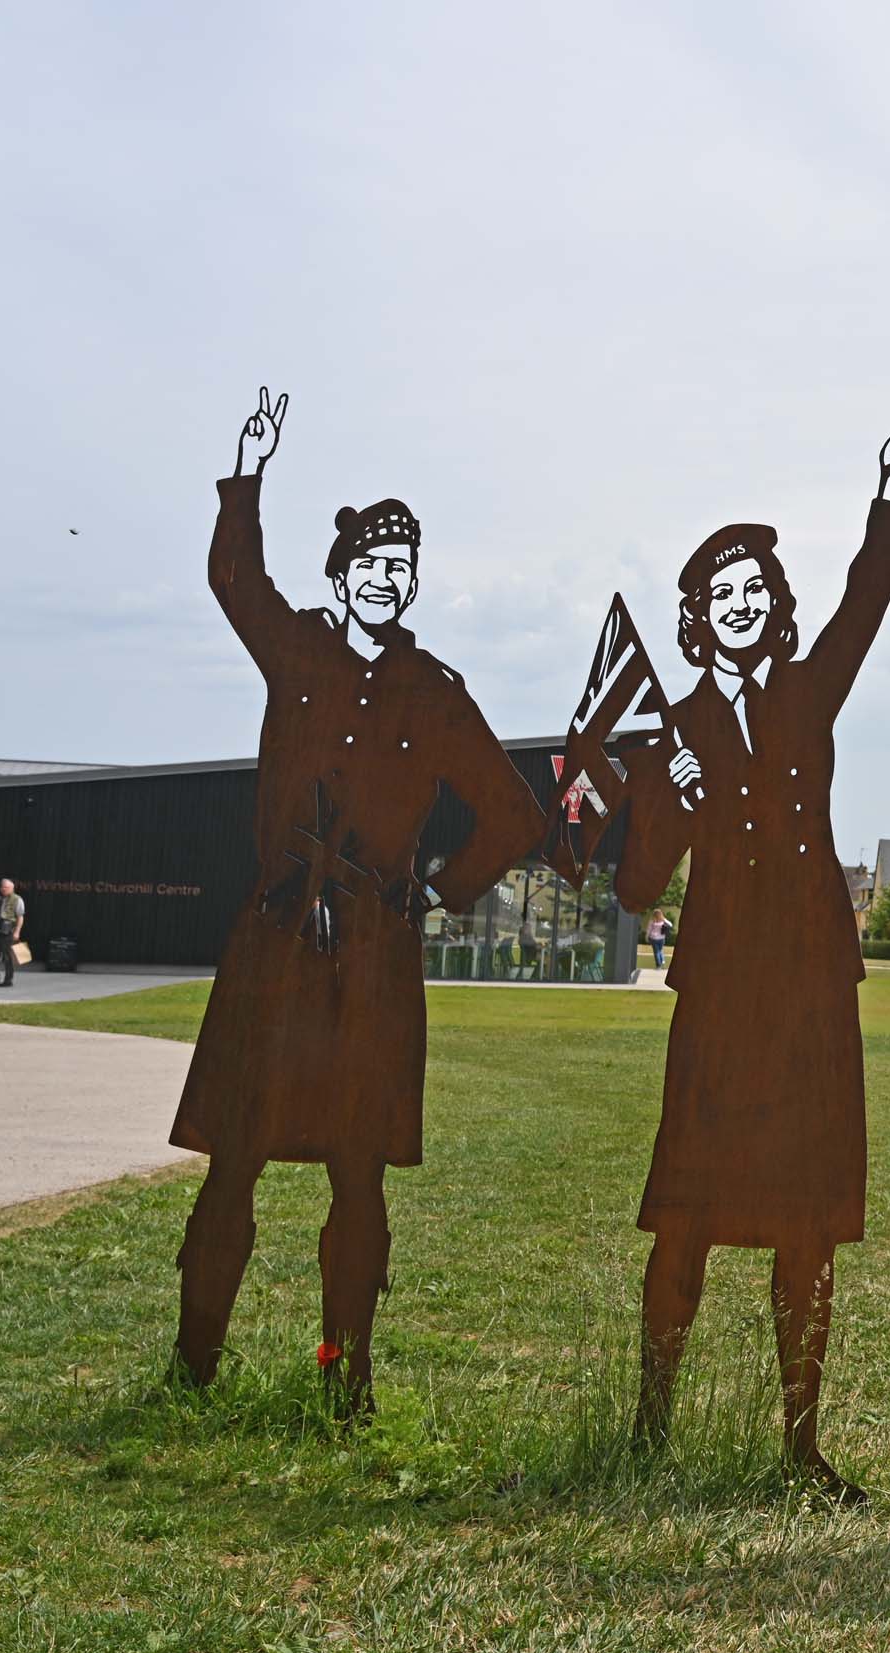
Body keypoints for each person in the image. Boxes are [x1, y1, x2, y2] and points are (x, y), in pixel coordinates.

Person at [169, 388, 549, 1417]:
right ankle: (191, 1367)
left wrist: (433, 887)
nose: (388, 580)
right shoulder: (295, 647)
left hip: (374, 959)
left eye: (403, 569)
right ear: (339, 576)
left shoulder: (436, 689)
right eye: (371, 566)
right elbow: (233, 578)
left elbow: (515, 814)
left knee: (357, 1177)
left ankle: (346, 1378)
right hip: (277, 941)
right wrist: (246, 474)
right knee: (233, 1164)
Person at [612, 403, 890, 1496]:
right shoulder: (671, 734)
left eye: (759, 591)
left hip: (808, 998)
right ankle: (648, 1431)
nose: (746, 606)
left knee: (808, 1225)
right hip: (721, 1001)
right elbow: (636, 885)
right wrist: (665, 799)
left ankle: (802, 1444)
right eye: (724, 596)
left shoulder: (806, 694)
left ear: (772, 608)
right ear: (698, 619)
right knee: (688, 1216)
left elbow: (865, 604)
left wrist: (887, 493)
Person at [0, 879, 24, 986]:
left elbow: (20, 917)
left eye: (6, 887)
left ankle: (8, 980)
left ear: (12, 888)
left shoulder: (17, 899)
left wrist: (17, 931)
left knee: (8, 957)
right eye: (2, 887)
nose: (3, 889)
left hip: (8, 932)